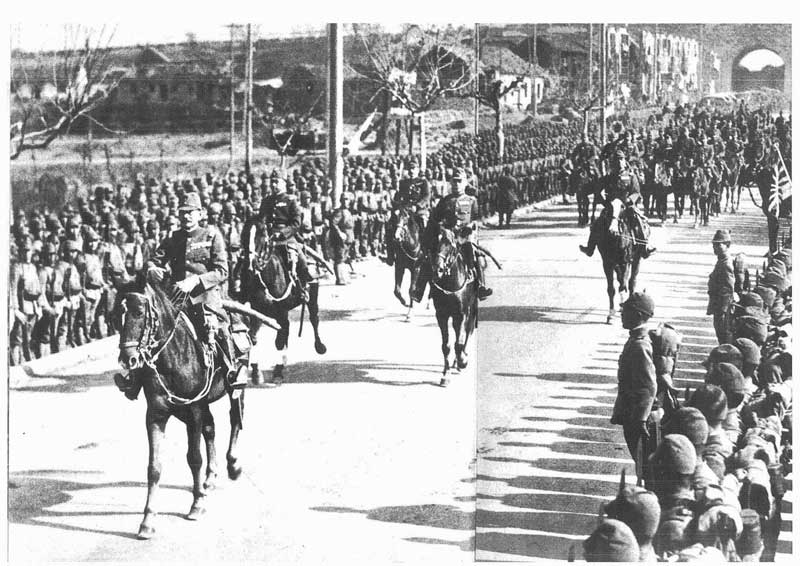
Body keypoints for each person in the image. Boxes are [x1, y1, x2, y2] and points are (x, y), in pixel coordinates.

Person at [116, 192, 248, 400]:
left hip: (206, 297)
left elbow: (222, 271)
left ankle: (232, 372)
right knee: (152, 333)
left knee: (218, 327)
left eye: (191, 213)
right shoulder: (173, 239)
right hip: (176, 300)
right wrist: (152, 269)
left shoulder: (211, 235)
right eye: (183, 213)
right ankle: (135, 380)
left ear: (200, 214)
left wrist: (197, 280)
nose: (186, 217)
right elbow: (154, 261)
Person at [418, 168, 492, 300]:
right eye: (454, 181)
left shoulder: (471, 200)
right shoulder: (445, 201)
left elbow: (479, 218)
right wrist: (442, 229)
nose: (456, 184)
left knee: (476, 256)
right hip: (449, 236)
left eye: (459, 181)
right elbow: (435, 219)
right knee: (432, 257)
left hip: (466, 236)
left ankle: (481, 286)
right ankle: (420, 290)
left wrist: (473, 226)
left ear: (465, 183)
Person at [611, 291, 659, 483]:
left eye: (626, 311)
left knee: (644, 466)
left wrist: (640, 419)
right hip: (633, 412)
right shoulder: (637, 340)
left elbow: (649, 386)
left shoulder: (640, 346)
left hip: (637, 416)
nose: (622, 314)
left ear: (638, 315)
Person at [579, 151, 656, 259]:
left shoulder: (630, 176)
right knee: (597, 224)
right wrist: (604, 202)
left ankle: (645, 248)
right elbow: (597, 191)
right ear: (612, 163)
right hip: (611, 208)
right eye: (616, 160)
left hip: (627, 207)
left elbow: (636, 192)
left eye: (621, 159)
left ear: (625, 161)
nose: (619, 162)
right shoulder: (608, 177)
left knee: (639, 222)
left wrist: (630, 199)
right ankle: (590, 248)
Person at [383, 160, 431, 266]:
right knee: (391, 226)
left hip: (419, 211)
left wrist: (417, 206)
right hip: (405, 211)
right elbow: (400, 196)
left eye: (414, 168)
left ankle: (427, 253)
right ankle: (390, 255)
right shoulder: (403, 182)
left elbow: (426, 197)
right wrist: (397, 206)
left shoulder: (423, 182)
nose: (411, 171)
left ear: (418, 169)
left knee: (426, 228)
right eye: (409, 169)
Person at [707, 229, 735, 344]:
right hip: (719, 304)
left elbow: (728, 288)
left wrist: (722, 311)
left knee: (723, 332)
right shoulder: (722, 260)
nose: (715, 247)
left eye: (719, 245)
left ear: (727, 245)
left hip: (723, 306)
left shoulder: (726, 264)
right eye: (714, 245)